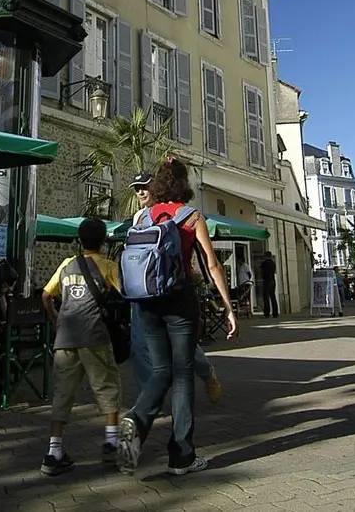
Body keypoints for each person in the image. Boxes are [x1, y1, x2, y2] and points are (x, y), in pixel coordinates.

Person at [118, 158, 238, 476]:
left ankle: (136, 420)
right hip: (179, 300)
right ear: (185, 184)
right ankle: (181, 456)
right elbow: (212, 264)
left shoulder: (144, 216)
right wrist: (228, 307)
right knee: (183, 375)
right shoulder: (191, 216)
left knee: (161, 371)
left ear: (158, 184)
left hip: (146, 301)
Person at [126, 171, 222, 405]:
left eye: (144, 187)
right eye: (137, 189)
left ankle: (206, 373)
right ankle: (148, 399)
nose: (140, 192)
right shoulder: (139, 217)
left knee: (182, 347)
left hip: (173, 286)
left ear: (157, 188)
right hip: (144, 290)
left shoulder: (178, 213)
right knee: (139, 345)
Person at [39, 218, 123, 476]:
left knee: (62, 394)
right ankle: (111, 444)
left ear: (79, 240)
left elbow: (46, 295)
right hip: (95, 336)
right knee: (107, 388)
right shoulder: (108, 266)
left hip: (65, 338)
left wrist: (55, 319)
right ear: (103, 241)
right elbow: (126, 292)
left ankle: (54, 452)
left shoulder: (66, 265)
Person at [258, 251, 279, 318]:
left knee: (266, 298)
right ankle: (275, 313)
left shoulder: (265, 263)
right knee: (273, 297)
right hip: (272, 280)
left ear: (266, 256)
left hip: (267, 281)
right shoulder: (273, 263)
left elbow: (261, 270)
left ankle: (267, 313)